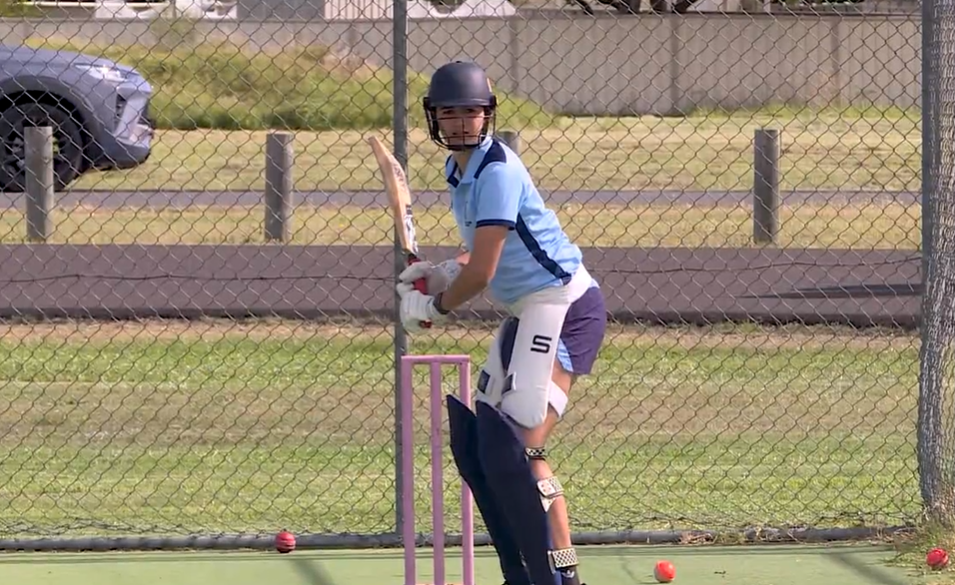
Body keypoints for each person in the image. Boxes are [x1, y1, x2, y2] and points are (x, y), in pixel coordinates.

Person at [396, 60, 607, 585]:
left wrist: (436, 308)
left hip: (564, 305)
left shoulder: (498, 170)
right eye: (450, 112)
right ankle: (525, 571)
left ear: (488, 115)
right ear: (435, 118)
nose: (462, 122)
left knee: (520, 447)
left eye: (472, 112)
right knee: (484, 447)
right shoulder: (460, 172)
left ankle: (562, 575)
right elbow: (477, 256)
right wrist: (442, 272)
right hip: (525, 311)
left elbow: (486, 269)